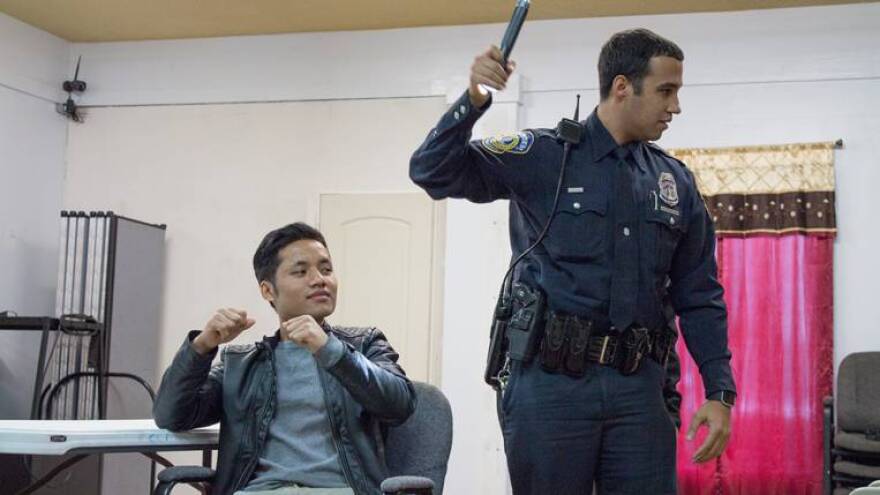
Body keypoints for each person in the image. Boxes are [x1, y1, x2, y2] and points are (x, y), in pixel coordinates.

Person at [409, 28, 735, 494]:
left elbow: (699, 293)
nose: (675, 106)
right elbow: (431, 170)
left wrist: (719, 391)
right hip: (551, 385)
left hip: (639, 388)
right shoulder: (543, 156)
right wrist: (475, 98)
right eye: (666, 91)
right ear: (622, 87)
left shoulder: (673, 182)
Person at [153, 222, 416, 495]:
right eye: (301, 272)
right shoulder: (241, 365)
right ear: (268, 291)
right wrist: (201, 347)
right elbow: (171, 415)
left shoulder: (364, 344)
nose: (319, 279)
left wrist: (331, 351)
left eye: (326, 269)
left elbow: (400, 404)